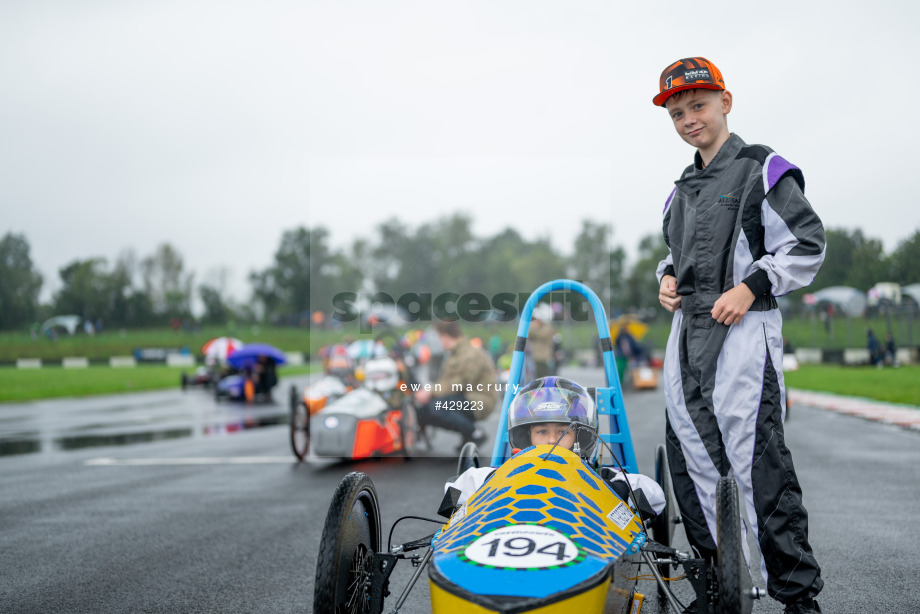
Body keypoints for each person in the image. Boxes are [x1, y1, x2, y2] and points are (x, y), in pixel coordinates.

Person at [653, 58, 825, 613]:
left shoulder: (763, 169)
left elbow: (806, 243)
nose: (688, 119)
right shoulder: (678, 192)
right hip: (686, 340)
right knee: (695, 467)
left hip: (744, 334)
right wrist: (667, 277)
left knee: (760, 468)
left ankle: (798, 599)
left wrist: (751, 287)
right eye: (677, 112)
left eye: (698, 106)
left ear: (726, 102)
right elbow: (675, 255)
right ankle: (717, 585)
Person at [445, 377, 665, 518]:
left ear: (580, 437)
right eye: (542, 432)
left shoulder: (601, 477)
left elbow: (655, 495)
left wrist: (616, 492)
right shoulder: (500, 475)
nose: (551, 440)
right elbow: (455, 490)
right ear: (526, 437)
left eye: (562, 433)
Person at [415, 320, 497, 448]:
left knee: (437, 406)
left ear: (446, 337)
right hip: (464, 397)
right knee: (423, 411)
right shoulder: (454, 355)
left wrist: (431, 393)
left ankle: (475, 433)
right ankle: (468, 436)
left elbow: (461, 383)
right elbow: (445, 383)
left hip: (479, 400)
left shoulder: (470, 354)